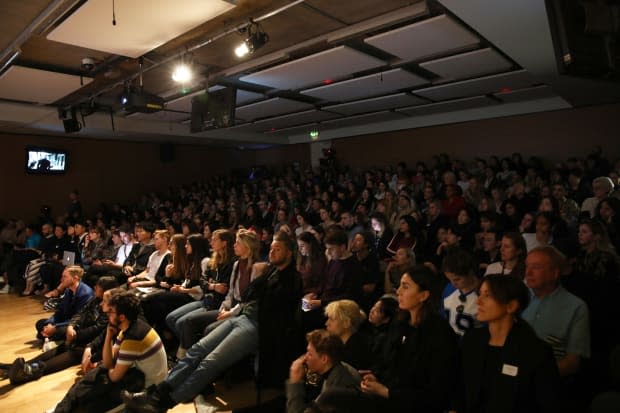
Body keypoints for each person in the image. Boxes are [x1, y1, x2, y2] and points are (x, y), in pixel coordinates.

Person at [121, 231, 303, 411]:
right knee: (196, 350)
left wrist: (254, 287)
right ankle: (159, 391)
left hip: (257, 326)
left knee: (210, 362)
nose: (272, 253)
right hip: (243, 316)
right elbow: (248, 295)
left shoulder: (292, 279)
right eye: (271, 248)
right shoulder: (269, 270)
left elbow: (272, 308)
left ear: (289, 253)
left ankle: (163, 403)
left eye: (277, 249)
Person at [360, 266, 459, 413]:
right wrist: (375, 376)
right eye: (399, 285)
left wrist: (386, 392)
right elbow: (389, 362)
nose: (398, 291)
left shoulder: (439, 333)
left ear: (423, 295)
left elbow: (436, 392)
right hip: (389, 397)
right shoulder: (401, 323)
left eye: (405, 287)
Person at [51, 290, 168, 413]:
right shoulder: (128, 328)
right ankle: (62, 409)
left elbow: (115, 376)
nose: (107, 314)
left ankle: (62, 409)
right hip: (134, 375)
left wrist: (106, 367)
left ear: (121, 317)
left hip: (144, 387)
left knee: (89, 399)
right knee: (88, 383)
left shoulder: (134, 337)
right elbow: (108, 362)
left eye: (110, 312)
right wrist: (108, 336)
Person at [458, 274, 561, 413]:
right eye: (479, 294)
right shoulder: (472, 339)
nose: (478, 301)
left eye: (487, 295)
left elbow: (547, 404)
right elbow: (458, 386)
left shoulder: (536, 351)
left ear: (511, 306)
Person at [7, 276, 118, 384]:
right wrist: (71, 326)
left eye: (97, 287)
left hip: (86, 344)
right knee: (51, 353)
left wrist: (78, 338)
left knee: (59, 358)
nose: (94, 288)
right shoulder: (96, 300)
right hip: (78, 337)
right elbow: (80, 314)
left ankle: (26, 373)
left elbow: (96, 331)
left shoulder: (109, 315)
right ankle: (12, 368)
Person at [522, 246, 591, 378]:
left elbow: (572, 363)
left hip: (548, 383)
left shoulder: (576, 307)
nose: (528, 273)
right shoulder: (519, 298)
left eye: (536, 267)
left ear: (554, 273)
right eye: (527, 266)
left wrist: (531, 377)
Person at [165, 229, 235, 357]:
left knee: (184, 322)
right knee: (172, 318)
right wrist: (212, 286)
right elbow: (203, 282)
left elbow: (224, 288)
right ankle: (187, 350)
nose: (211, 242)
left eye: (215, 239)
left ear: (224, 243)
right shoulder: (213, 260)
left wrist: (209, 286)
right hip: (207, 299)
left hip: (217, 304)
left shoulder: (231, 263)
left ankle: (187, 355)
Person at [286, 329, 361, 413]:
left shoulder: (333, 394)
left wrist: (295, 381)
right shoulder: (339, 370)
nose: (305, 358)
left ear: (324, 359)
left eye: (309, 354)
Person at [35, 265, 93, 341]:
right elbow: (60, 311)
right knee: (40, 323)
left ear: (75, 278)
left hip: (77, 324)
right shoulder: (68, 290)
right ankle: (49, 336)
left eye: (64, 277)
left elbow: (79, 319)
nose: (61, 280)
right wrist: (50, 323)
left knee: (59, 331)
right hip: (66, 320)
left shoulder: (86, 294)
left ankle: (49, 336)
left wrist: (55, 327)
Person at [441, 249, 481, 337]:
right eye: (449, 279)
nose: (453, 283)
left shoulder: (482, 294)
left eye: (457, 279)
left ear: (470, 273)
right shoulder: (449, 288)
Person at [324, 299, 372, 370]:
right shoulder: (342, 345)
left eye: (332, 319)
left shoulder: (356, 352)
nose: (327, 323)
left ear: (346, 323)